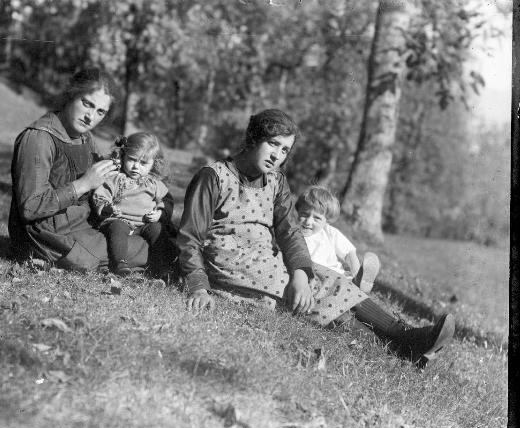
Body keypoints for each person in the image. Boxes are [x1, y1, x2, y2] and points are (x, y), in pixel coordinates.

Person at [177, 108, 455, 365]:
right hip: (230, 261)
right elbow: (189, 238)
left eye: (285, 150)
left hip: (265, 255)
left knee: (325, 276)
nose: (277, 156)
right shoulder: (213, 177)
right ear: (252, 138)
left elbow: (289, 230)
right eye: (273, 144)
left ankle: (402, 335)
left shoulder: (275, 179)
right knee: (311, 295)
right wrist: (199, 287)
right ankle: (402, 347)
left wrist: (300, 272)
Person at [8, 67, 148, 271]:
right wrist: (82, 185)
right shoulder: (39, 138)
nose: (91, 117)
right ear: (71, 94)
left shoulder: (84, 137)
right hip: (47, 238)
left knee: (147, 234)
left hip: (79, 225)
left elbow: (99, 184)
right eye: (87, 104)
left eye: (100, 111)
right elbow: (30, 207)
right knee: (142, 249)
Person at [91, 132, 175, 275]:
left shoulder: (154, 183)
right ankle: (119, 263)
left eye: (143, 163)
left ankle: (161, 267)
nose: (136, 167)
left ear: (154, 163)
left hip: (144, 224)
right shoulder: (115, 178)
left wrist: (159, 213)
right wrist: (107, 208)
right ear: (123, 156)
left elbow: (167, 200)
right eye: (132, 160)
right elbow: (100, 196)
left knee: (158, 230)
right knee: (117, 227)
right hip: (120, 220)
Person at [296, 185, 380, 293]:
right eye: (304, 214)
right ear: (298, 211)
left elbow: (349, 253)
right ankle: (355, 291)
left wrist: (356, 273)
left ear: (327, 220)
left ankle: (358, 282)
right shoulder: (292, 232)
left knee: (345, 282)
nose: (308, 222)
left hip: (334, 275)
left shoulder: (329, 232)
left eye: (317, 218)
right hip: (309, 275)